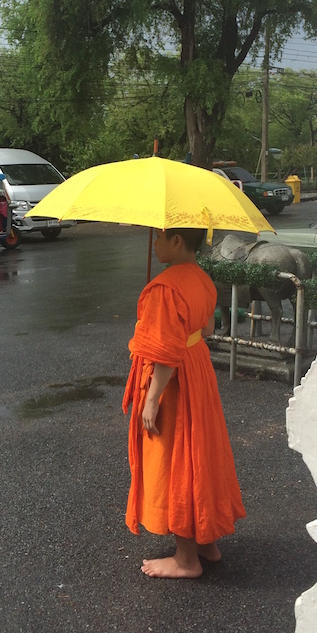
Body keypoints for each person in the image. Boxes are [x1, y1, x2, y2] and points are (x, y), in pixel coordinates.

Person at [122, 226, 246, 578]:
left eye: (158, 237)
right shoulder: (202, 278)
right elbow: (205, 330)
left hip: (173, 379)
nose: (155, 244)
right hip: (197, 370)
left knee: (174, 457)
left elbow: (164, 352)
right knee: (198, 452)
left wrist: (152, 400)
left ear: (176, 241)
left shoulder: (165, 288)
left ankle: (186, 559)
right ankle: (205, 542)